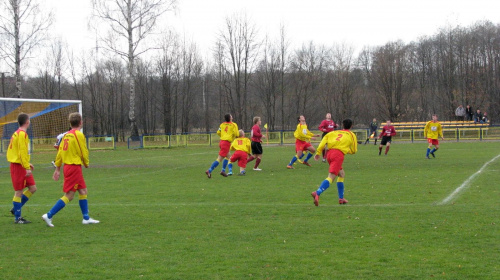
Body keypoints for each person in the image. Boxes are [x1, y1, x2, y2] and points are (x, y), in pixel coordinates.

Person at [42, 113, 99, 227]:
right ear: (80, 122)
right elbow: (83, 151)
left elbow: (60, 153)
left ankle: (86, 218)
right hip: (74, 167)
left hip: (69, 167)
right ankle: (49, 215)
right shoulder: (78, 135)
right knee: (69, 195)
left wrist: (58, 168)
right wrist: (86, 163)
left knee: (83, 191)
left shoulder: (66, 135)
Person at [311, 119, 357, 206]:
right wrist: (346, 150)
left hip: (329, 154)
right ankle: (317, 192)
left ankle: (341, 198)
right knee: (331, 177)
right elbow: (354, 150)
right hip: (338, 156)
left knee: (341, 174)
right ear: (351, 126)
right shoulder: (351, 135)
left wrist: (318, 152)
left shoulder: (333, 132)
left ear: (342, 126)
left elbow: (323, 141)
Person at [7, 113, 37, 224]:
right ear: (27, 121)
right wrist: (26, 167)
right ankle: (17, 218)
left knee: (33, 188)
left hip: (21, 164)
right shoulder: (21, 134)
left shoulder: (18, 133)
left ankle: (15, 209)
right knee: (18, 191)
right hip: (18, 166)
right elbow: (22, 152)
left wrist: (28, 164)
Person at [205, 114, 239, 178]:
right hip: (226, 143)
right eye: (231, 116)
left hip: (221, 142)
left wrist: (223, 136)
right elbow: (236, 134)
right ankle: (209, 170)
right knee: (219, 159)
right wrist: (232, 137)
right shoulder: (234, 125)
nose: (232, 117)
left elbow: (218, 132)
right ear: (230, 118)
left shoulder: (222, 124)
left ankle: (223, 171)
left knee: (229, 157)